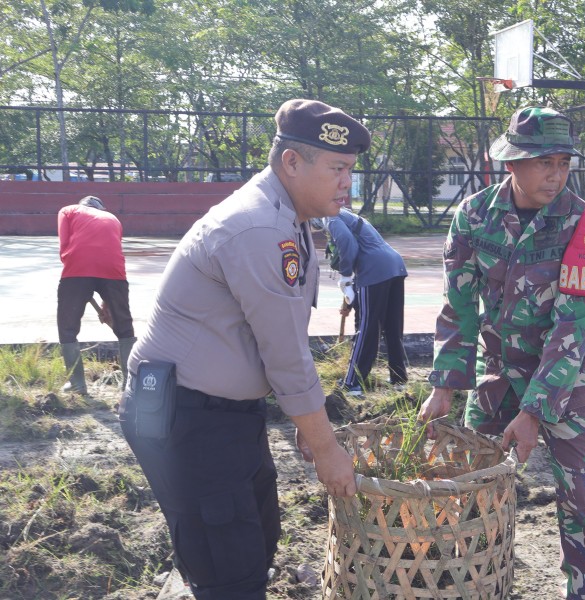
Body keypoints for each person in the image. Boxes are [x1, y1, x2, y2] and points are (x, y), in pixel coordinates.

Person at [118, 99, 368, 599]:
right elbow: (285, 354)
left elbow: (286, 338)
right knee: (227, 567)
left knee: (255, 539)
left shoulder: (287, 217)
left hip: (227, 414)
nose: (348, 183)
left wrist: (308, 424)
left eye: (350, 171)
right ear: (291, 163)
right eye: (338, 168)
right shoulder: (257, 227)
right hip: (187, 418)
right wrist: (325, 447)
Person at [418, 106, 585, 599]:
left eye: (564, 163)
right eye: (544, 162)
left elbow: (572, 329)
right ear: (512, 163)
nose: (556, 174)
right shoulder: (474, 215)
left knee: (580, 496)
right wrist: (445, 385)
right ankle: (479, 584)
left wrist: (534, 411)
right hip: (494, 374)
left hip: (563, 381)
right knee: (474, 489)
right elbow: (459, 307)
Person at [323, 208, 408, 396]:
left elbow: (346, 243)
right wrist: (350, 293)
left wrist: (345, 276)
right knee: (392, 327)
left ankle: (352, 383)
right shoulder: (350, 217)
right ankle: (399, 379)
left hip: (374, 270)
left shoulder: (329, 215)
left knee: (367, 326)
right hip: (394, 265)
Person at [57, 195, 136, 394]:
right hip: (114, 272)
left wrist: (77, 282)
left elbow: (64, 248)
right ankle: (130, 385)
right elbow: (109, 252)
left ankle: (77, 385)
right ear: (101, 208)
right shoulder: (113, 218)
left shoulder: (68, 210)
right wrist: (107, 305)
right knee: (124, 327)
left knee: (68, 327)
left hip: (77, 270)